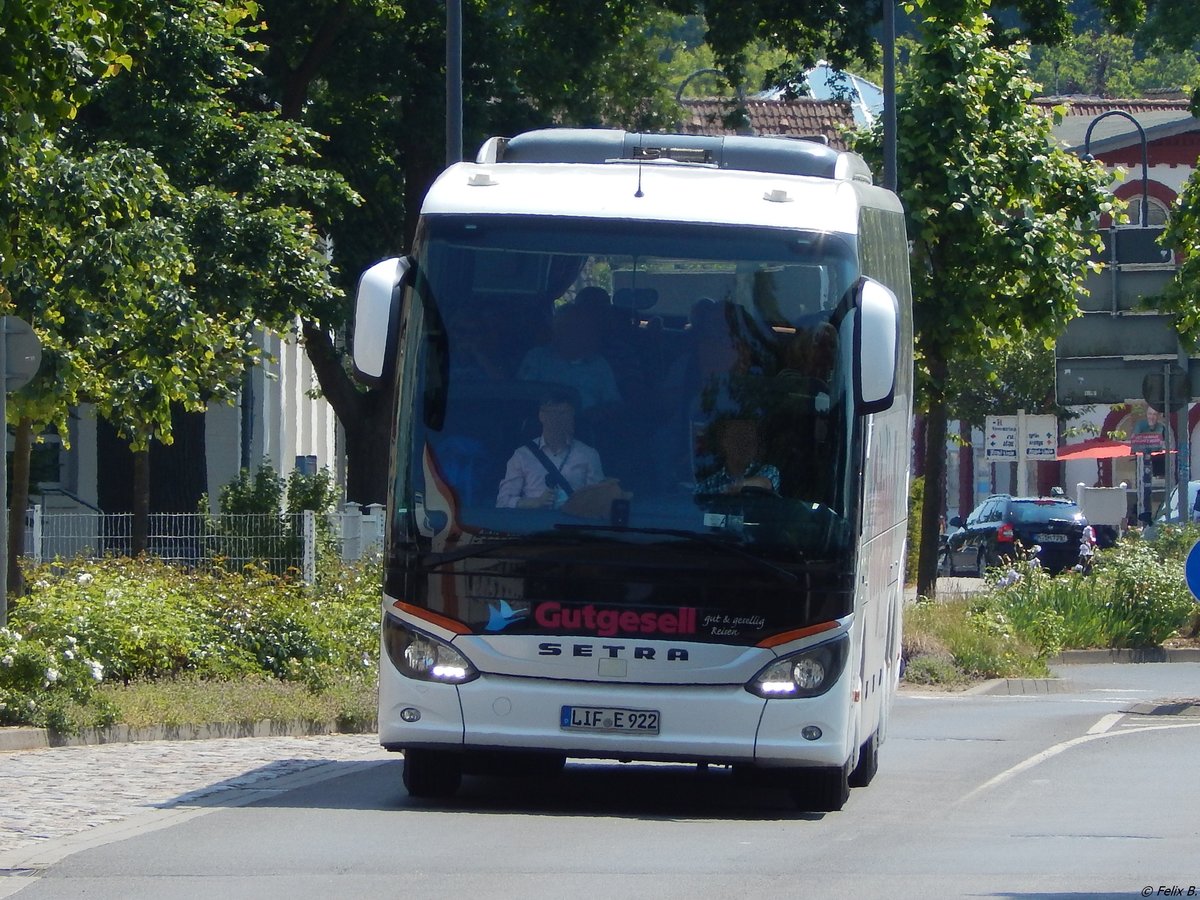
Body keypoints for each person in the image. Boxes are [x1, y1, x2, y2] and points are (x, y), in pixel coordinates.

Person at [496, 389, 605, 509]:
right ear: (541, 415)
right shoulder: (522, 455)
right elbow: (503, 502)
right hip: (531, 524)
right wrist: (534, 502)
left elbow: (598, 503)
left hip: (573, 524)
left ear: (572, 416)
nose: (557, 419)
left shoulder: (588, 455)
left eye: (563, 413)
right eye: (552, 413)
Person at [516, 302, 621, 412]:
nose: (572, 333)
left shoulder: (599, 364)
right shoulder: (537, 358)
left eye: (579, 328)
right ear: (555, 329)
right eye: (567, 327)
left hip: (588, 425)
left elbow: (613, 402)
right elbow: (522, 396)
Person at [694, 418, 781, 496]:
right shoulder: (710, 484)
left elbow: (765, 483)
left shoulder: (768, 471)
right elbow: (696, 500)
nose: (745, 446)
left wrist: (739, 486)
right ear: (724, 444)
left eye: (750, 441)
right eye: (739, 440)